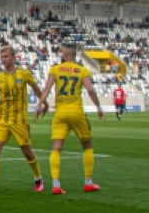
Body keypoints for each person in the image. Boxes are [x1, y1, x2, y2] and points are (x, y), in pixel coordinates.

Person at [34, 42, 105, 195]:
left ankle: (56, 184)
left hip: (60, 112)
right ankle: (88, 182)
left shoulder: (55, 69)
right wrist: (99, 107)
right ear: (75, 55)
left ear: (65, 55)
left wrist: (39, 105)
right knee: (87, 145)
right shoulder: (82, 70)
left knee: (56, 148)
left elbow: (47, 89)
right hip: (76, 112)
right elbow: (90, 90)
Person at [0, 44, 43, 195]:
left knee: (26, 151)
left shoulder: (24, 74)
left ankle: (38, 178)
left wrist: (43, 103)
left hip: (19, 120)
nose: (4, 60)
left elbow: (37, 89)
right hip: (2, 120)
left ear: (13, 57)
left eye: (6, 57)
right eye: (2, 57)